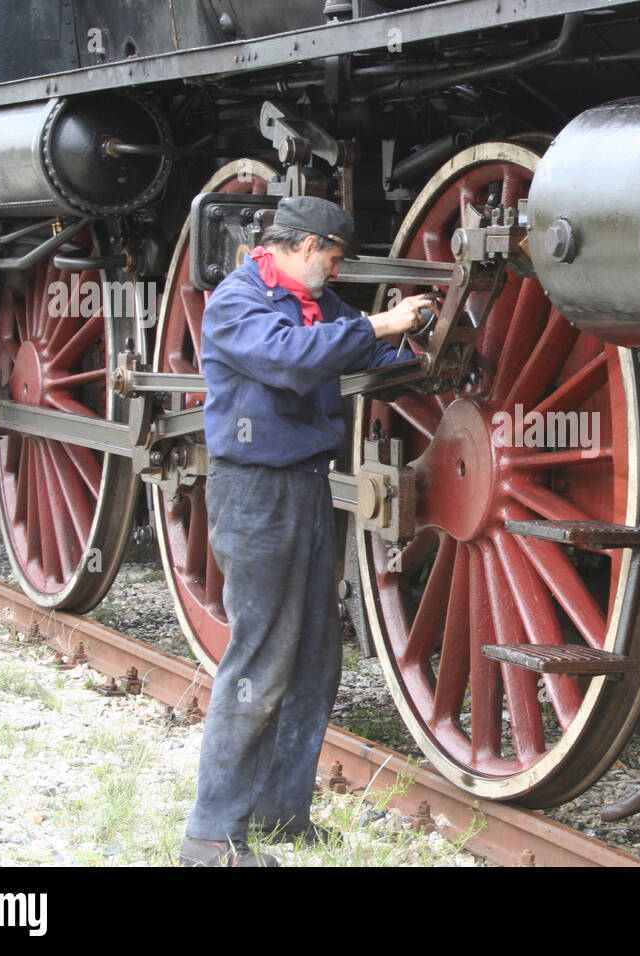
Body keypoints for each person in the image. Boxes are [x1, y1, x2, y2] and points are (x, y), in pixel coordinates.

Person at [179, 195, 432, 867]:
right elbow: (293, 359)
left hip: (305, 487)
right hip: (256, 491)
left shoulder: (316, 302)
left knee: (315, 659)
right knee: (260, 657)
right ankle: (210, 836)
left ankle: (280, 815)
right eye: (336, 258)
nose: (338, 270)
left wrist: (424, 344)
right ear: (308, 246)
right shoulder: (238, 300)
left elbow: (371, 361)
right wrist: (383, 323)